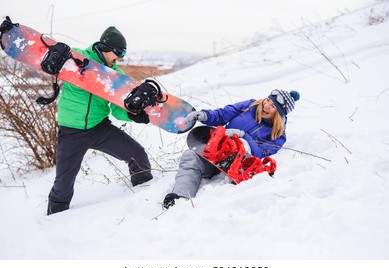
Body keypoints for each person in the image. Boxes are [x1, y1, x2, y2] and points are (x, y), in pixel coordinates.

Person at [47, 26, 154, 215]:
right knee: (62, 185)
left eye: (123, 53)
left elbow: (118, 110)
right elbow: (43, 54)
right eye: (119, 52)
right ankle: (53, 220)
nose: (120, 57)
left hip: (99, 128)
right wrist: (12, 33)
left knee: (138, 157)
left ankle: (142, 199)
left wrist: (136, 115)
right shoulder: (76, 57)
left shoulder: (115, 77)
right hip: (71, 132)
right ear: (105, 47)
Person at [163, 89, 300, 208]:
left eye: (273, 106)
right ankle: (180, 197)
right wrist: (204, 115)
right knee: (191, 157)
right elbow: (223, 114)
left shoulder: (278, 135)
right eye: (268, 100)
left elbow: (261, 153)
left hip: (237, 162)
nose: (266, 105)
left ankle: (229, 177)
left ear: (279, 115)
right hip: (217, 150)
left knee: (241, 148)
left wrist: (243, 135)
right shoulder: (250, 106)